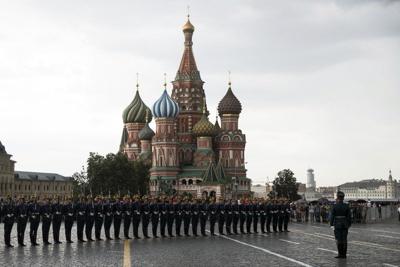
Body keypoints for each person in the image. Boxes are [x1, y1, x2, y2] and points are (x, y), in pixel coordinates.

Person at [330, 191, 351, 259]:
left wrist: (331, 224)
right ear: (343, 198)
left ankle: (340, 254)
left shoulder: (335, 206)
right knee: (344, 239)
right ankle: (344, 255)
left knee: (338, 239)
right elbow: (349, 216)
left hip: (337, 224)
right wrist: (349, 224)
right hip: (345, 224)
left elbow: (332, 216)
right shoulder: (346, 206)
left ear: (338, 198)